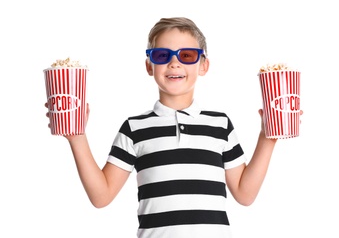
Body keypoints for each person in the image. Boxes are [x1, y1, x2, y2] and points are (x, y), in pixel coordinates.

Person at [46, 17, 295, 237]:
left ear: (203, 65)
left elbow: (245, 193)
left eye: (186, 55)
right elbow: (101, 197)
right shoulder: (134, 128)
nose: (174, 63)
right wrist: (77, 138)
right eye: (162, 55)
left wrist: (267, 137)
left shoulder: (220, 125)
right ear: (149, 65)